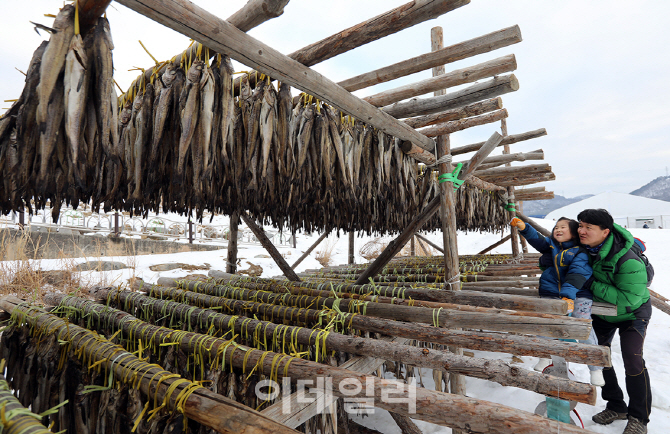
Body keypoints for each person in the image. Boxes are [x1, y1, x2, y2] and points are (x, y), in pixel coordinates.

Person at [577, 209, 651, 434]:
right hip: (602, 312)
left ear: (605, 232)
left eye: (589, 227)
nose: (581, 231)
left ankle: (639, 418)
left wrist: (589, 283)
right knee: (599, 355)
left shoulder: (628, 260)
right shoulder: (583, 249)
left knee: (632, 358)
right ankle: (616, 405)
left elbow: (628, 299)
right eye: (580, 225)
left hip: (632, 313)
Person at [510, 217, 604, 386]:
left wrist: (568, 296)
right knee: (545, 325)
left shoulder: (579, 252)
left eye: (563, 227)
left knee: (582, 325)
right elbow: (537, 240)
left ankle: (595, 368)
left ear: (574, 233)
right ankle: (545, 357)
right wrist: (524, 228)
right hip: (551, 293)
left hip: (578, 293)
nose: (558, 230)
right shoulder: (552, 247)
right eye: (556, 227)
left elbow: (577, 275)